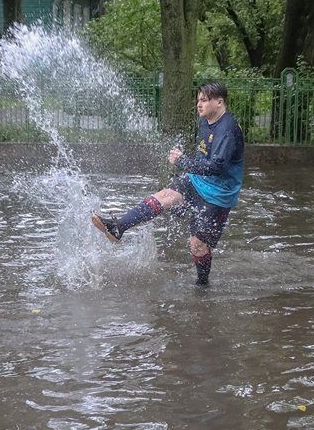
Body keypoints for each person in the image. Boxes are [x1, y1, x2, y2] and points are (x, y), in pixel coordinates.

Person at [91, 82, 245, 287]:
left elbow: (216, 166)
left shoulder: (228, 129)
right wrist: (187, 164)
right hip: (196, 180)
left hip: (218, 194)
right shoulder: (206, 120)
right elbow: (203, 156)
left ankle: (202, 285)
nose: (199, 104)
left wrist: (182, 162)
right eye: (198, 100)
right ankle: (118, 227)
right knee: (165, 196)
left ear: (219, 102)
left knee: (197, 245)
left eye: (204, 100)